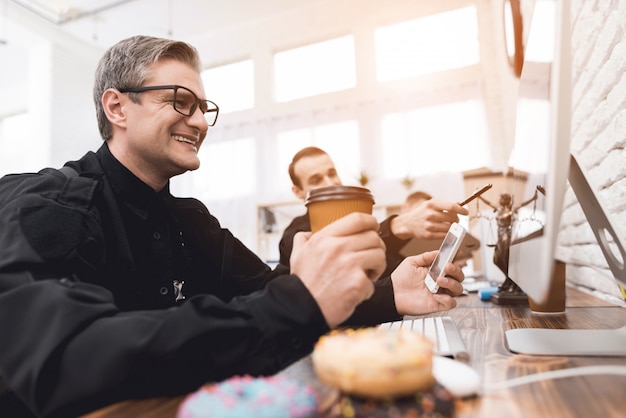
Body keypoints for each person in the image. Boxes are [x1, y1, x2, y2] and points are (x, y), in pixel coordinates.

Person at [0, 36, 465, 418]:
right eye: (181, 102)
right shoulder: (51, 204)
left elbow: (280, 291)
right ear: (117, 108)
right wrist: (297, 301)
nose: (201, 122)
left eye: (204, 107)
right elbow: (69, 359)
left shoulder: (191, 220)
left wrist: (390, 296)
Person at [278, 147, 469, 276]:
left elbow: (388, 270)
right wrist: (399, 225)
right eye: (316, 180)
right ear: (298, 192)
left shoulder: (358, 220)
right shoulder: (295, 236)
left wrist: (435, 265)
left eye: (331, 173)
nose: (331, 183)